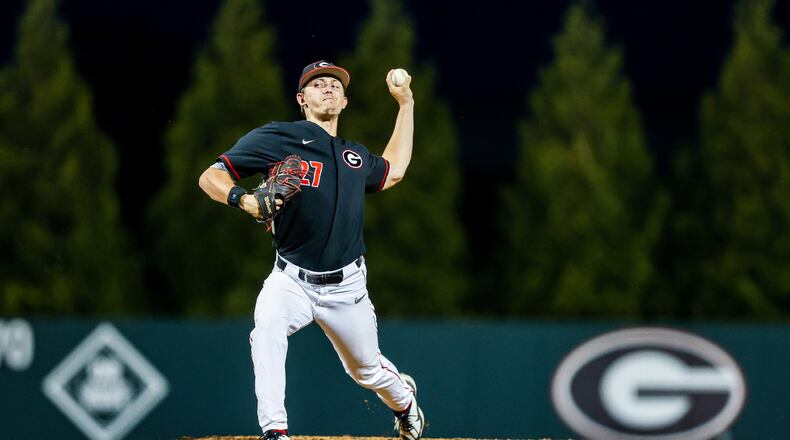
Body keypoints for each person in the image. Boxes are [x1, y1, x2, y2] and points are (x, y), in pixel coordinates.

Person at [198, 60, 424, 440]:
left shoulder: (355, 156)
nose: (329, 88)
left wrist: (406, 104)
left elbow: (395, 170)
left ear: (345, 101)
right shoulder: (277, 138)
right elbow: (211, 176)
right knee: (267, 328)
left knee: (366, 370)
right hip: (291, 280)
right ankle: (275, 432)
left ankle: (405, 404)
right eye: (318, 84)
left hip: (347, 286)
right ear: (302, 99)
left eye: (335, 85)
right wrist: (244, 199)